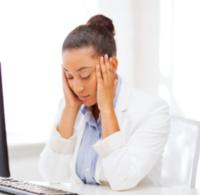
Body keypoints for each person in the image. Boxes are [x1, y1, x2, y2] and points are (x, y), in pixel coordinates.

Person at [38, 14, 170, 191]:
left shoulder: (153, 110)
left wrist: (107, 109)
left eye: (85, 76)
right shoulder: (69, 104)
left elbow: (122, 180)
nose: (77, 88)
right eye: (69, 76)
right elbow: (51, 176)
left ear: (112, 66)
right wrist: (70, 109)